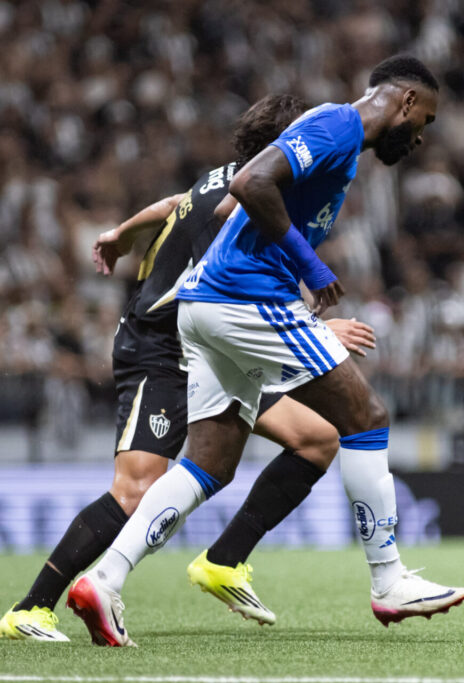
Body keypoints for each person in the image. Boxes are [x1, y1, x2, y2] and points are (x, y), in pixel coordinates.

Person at [67, 55, 464, 647]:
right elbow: (246, 184)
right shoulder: (336, 125)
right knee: (365, 419)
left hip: (204, 306)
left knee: (208, 463)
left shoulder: (337, 143)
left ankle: (103, 579)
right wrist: (306, 265)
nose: (421, 136)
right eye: (425, 120)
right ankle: (389, 582)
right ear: (406, 103)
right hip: (245, 299)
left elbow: (232, 206)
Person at [0, 95, 376, 643]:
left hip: (215, 351)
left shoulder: (224, 179)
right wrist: (315, 330)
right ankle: (30, 608)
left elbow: (176, 202)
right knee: (135, 489)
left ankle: (224, 560)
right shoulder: (245, 197)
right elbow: (224, 285)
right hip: (162, 348)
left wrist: (122, 232)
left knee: (316, 438)